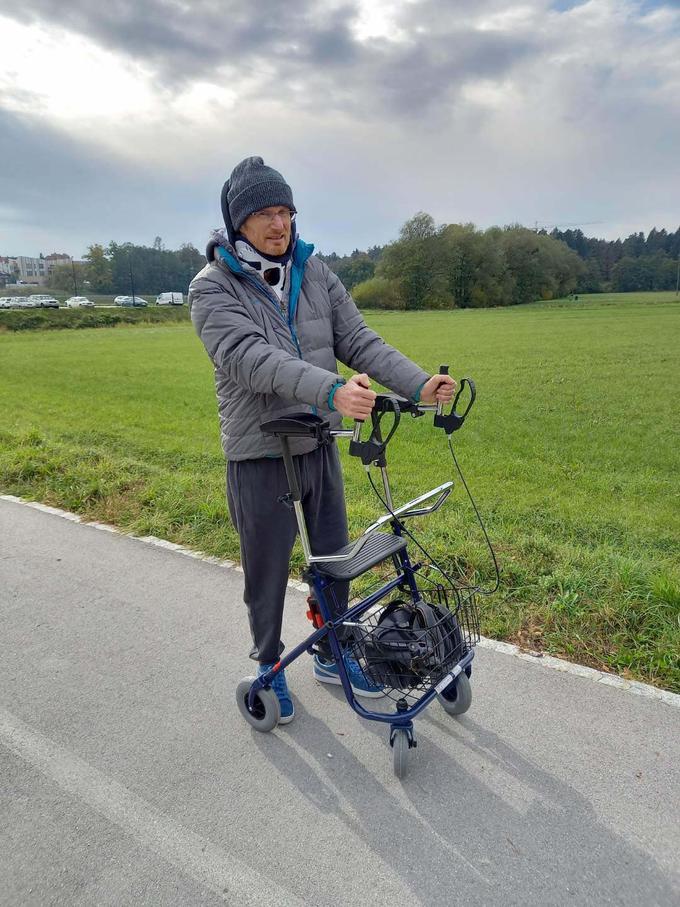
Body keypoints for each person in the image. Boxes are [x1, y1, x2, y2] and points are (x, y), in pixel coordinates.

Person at [190, 156, 455, 724]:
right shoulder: (212, 289)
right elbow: (250, 361)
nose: (278, 224)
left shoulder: (315, 272)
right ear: (238, 222)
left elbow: (358, 339)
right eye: (264, 213)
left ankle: (335, 652)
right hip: (260, 452)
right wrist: (331, 391)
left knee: (335, 559)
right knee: (265, 567)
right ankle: (267, 666)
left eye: (285, 211)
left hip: (317, 445)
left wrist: (419, 384)